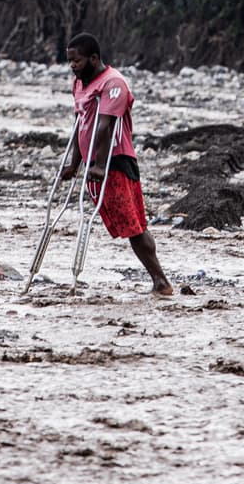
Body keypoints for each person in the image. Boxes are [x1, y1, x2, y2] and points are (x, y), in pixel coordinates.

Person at [61, 32, 173, 296]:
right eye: (69, 62)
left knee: (133, 226)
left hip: (116, 161)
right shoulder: (79, 84)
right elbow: (81, 123)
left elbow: (105, 124)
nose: (72, 67)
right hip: (93, 163)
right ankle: (159, 281)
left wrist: (101, 164)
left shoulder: (114, 83)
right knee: (128, 226)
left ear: (93, 58)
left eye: (76, 61)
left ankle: (161, 281)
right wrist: (74, 163)